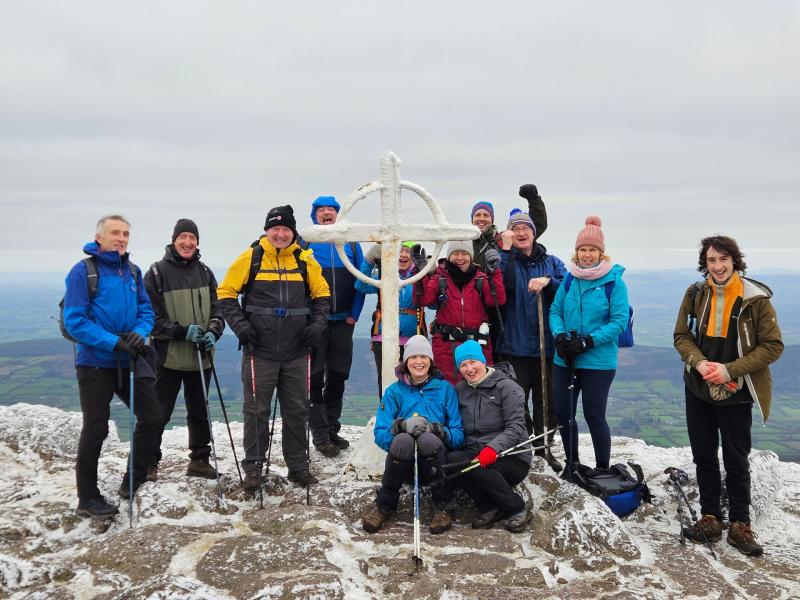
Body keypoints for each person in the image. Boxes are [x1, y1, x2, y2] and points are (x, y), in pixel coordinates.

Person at [674, 236, 783, 557]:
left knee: (736, 460)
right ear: (704, 264)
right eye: (711, 260)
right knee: (704, 455)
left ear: (735, 261)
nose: (717, 266)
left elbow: (772, 346)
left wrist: (730, 370)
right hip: (698, 386)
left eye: (723, 259)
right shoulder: (695, 293)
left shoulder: (755, 299)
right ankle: (710, 517)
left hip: (736, 390)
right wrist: (700, 362)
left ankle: (740, 524)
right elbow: (681, 335)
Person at [217, 205, 331, 490]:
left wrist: (317, 325)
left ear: (293, 232)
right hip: (260, 350)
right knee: (256, 411)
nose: (280, 234)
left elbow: (322, 296)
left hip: (297, 350)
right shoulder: (251, 257)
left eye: (286, 229)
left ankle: (298, 466)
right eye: (275, 229)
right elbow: (226, 294)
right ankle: (254, 467)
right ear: (267, 230)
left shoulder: (305, 260)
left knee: (297, 410)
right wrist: (241, 327)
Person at [62, 214, 162, 517]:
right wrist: (112, 341)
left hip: (128, 357)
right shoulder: (83, 272)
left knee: (153, 417)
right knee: (96, 427)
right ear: (99, 238)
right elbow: (74, 320)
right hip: (95, 362)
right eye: (115, 233)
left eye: (126, 234)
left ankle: (132, 479)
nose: (121, 239)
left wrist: (139, 333)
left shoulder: (132, 272)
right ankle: (87, 499)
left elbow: (146, 311)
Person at [144, 219, 225, 481]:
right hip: (166, 357)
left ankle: (200, 460)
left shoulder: (205, 272)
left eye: (192, 238)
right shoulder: (156, 274)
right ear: (174, 240)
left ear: (197, 242)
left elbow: (219, 308)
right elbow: (149, 320)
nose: (188, 242)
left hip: (201, 356)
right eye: (184, 237)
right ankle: (147, 462)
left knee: (200, 410)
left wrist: (213, 331)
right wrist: (181, 331)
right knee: (158, 412)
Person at [549, 216, 629, 478]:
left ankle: (603, 469)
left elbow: (618, 321)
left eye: (592, 250)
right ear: (577, 251)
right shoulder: (571, 279)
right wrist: (560, 336)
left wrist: (588, 341)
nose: (586, 255)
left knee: (595, 414)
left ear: (600, 252)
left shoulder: (614, 282)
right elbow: (555, 310)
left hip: (598, 361)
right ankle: (572, 465)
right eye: (582, 249)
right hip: (566, 359)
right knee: (564, 414)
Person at [361, 335, 464, 534]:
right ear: (406, 362)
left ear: (431, 360)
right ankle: (384, 505)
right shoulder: (394, 392)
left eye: (424, 357)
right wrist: (400, 426)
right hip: (403, 466)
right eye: (413, 357)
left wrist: (439, 430)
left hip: (434, 465)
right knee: (402, 441)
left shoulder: (445, 390)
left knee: (428, 439)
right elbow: (380, 434)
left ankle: (443, 506)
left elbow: (459, 435)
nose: (419, 362)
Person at [495, 210, 566, 471]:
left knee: (548, 403)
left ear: (534, 233)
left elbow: (568, 286)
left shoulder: (552, 262)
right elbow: (498, 287)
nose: (521, 233)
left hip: (546, 346)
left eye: (526, 228)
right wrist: (504, 251)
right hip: (513, 346)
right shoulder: (505, 260)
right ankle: (526, 449)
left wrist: (548, 282)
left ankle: (545, 448)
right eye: (516, 229)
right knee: (516, 403)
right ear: (508, 234)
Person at [301, 195, 366, 458]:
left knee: (338, 375)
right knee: (315, 378)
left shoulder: (349, 242)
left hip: (343, 322)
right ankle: (319, 435)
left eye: (331, 210)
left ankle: (331, 429)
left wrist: (354, 315)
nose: (327, 214)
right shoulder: (306, 242)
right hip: (315, 324)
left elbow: (361, 278)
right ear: (314, 215)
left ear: (338, 214)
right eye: (322, 210)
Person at [449, 341, 532, 532]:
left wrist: (493, 448)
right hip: (476, 451)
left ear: (483, 360)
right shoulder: (460, 391)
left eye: (473, 362)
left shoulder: (507, 387)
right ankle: (489, 508)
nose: (469, 369)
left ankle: (516, 508)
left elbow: (516, 427)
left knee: (478, 467)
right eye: (463, 365)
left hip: (511, 456)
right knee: (453, 461)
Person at [419, 241, 506, 386]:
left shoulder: (481, 278)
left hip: (477, 344)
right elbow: (423, 299)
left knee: (481, 387)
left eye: (464, 253)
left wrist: (494, 272)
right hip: (445, 346)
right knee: (447, 389)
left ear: (471, 257)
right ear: (448, 257)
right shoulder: (440, 278)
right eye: (455, 254)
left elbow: (497, 300)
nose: (460, 257)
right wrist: (421, 272)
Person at [355, 241, 427, 395]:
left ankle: (411, 418)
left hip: (413, 338)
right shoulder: (383, 273)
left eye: (408, 251)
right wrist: (369, 259)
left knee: (414, 382)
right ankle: (387, 416)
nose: (403, 255)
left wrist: (428, 268)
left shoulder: (420, 276)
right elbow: (361, 285)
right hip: (383, 337)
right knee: (386, 382)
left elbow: (433, 300)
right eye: (399, 250)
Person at [470, 184, 548, 273]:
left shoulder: (504, 239)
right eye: (477, 215)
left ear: (492, 219)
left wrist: (534, 200)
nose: (481, 219)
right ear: (472, 219)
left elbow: (536, 225)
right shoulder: (463, 242)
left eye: (486, 215)